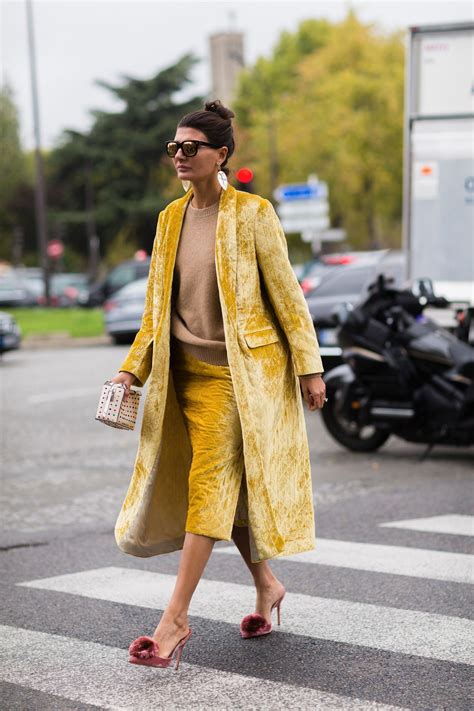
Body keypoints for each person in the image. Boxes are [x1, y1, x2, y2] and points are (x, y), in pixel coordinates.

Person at [108, 99, 326, 670]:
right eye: (174, 147)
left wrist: (310, 365)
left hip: (239, 379)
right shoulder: (169, 220)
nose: (179, 156)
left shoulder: (252, 214)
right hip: (182, 378)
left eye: (191, 147)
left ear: (221, 154)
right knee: (226, 491)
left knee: (207, 483)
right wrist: (132, 368)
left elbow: (287, 294)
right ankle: (268, 586)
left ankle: (175, 619)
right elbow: (156, 308)